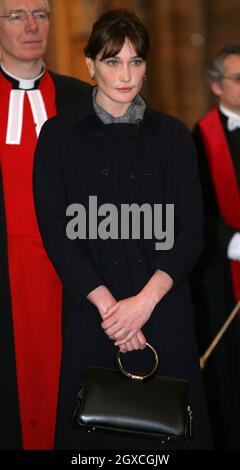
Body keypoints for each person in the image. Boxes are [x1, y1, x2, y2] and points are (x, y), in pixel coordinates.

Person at [33, 8, 211, 450]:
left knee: (168, 440)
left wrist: (144, 304)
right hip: (95, 314)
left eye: (136, 61)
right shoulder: (57, 136)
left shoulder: (174, 137)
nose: (125, 74)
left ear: (147, 66)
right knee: (95, 441)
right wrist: (114, 311)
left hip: (163, 310)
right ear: (90, 65)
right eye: (113, 61)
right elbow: (56, 231)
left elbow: (190, 230)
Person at [0, 0, 91, 450]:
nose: (32, 26)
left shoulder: (80, 98)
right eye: (16, 16)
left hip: (70, 275)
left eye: (41, 14)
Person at [192, 44, 240, 449]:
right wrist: (230, 241)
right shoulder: (199, 136)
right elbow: (193, 210)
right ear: (215, 86)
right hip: (225, 274)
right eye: (239, 79)